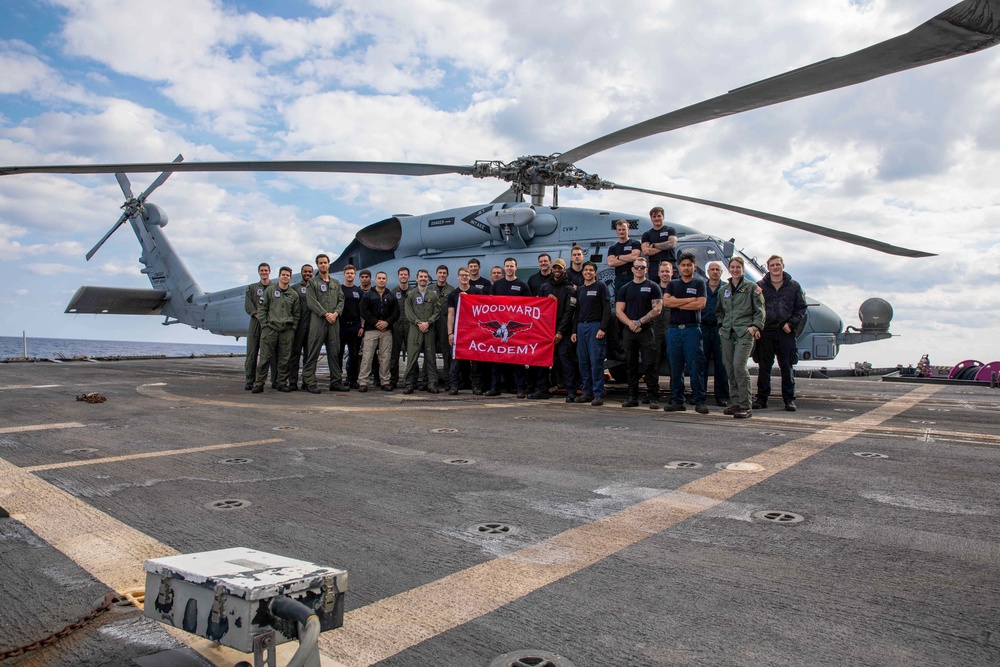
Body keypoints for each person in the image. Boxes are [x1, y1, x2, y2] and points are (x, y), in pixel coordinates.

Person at [754, 255, 807, 412]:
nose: (775, 267)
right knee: (764, 367)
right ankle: (762, 399)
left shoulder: (793, 286)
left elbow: (801, 308)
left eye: (778, 264)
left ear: (783, 265)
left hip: (785, 332)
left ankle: (789, 400)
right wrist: (756, 327)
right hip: (766, 332)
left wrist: (791, 324)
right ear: (768, 267)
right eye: (772, 265)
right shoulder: (759, 286)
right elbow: (754, 307)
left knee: (786, 367)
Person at [717, 257, 764, 419]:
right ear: (729, 269)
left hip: (744, 332)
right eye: (733, 267)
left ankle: (745, 405)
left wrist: (754, 327)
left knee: (739, 366)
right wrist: (721, 327)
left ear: (742, 269)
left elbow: (760, 311)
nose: (735, 270)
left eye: (738, 267)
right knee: (729, 368)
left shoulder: (752, 288)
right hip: (727, 333)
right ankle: (735, 402)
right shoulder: (724, 290)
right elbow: (719, 311)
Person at [662, 251, 708, 414]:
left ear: (694, 267)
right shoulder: (673, 284)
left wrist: (678, 303)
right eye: (683, 265)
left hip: (692, 329)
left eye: (689, 265)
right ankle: (677, 400)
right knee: (676, 367)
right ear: (679, 267)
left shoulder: (699, 283)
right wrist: (689, 301)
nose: (686, 267)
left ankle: (700, 400)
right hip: (674, 330)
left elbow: (701, 304)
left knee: (696, 366)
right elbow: (666, 302)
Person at [614, 257, 662, 408]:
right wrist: (631, 324)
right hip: (629, 331)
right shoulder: (625, 288)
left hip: (646, 330)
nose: (639, 269)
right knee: (631, 364)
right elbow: (619, 311)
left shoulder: (653, 287)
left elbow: (657, 309)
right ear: (632, 269)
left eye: (642, 267)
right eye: (637, 267)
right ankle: (632, 397)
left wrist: (640, 322)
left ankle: (653, 397)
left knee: (650, 364)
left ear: (647, 270)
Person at [531, 259, 577, 401]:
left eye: (560, 268)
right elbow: (538, 307)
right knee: (542, 361)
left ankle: (571, 391)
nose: (557, 270)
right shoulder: (545, 287)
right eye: (555, 268)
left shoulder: (570, 289)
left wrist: (560, 332)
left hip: (563, 330)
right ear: (552, 269)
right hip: (546, 330)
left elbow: (570, 313)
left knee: (566, 362)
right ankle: (542, 389)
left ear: (564, 270)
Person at [303, 253, 348, 394]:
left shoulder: (335, 283)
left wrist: (335, 314)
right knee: (313, 352)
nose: (323, 265)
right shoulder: (312, 283)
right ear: (317, 265)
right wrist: (325, 313)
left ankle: (335, 382)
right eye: (320, 263)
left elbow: (341, 300)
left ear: (329, 264)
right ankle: (309, 382)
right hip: (318, 321)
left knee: (334, 352)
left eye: (325, 262)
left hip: (334, 322)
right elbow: (311, 302)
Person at [486, 258, 531, 397]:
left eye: (512, 266)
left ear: (516, 267)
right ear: (504, 268)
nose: (509, 268)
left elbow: (529, 306)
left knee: (517, 360)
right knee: (496, 360)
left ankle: (520, 389)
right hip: (499, 327)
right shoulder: (497, 284)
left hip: (513, 329)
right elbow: (489, 304)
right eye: (507, 266)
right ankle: (495, 388)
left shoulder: (522, 285)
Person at [253, 266, 300, 393]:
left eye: (288, 275)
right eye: (283, 275)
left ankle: (281, 382)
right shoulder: (269, 291)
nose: (285, 277)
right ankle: (259, 383)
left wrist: (293, 328)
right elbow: (261, 309)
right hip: (271, 329)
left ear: (290, 277)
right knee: (265, 358)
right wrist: (264, 325)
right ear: (279, 276)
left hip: (286, 331)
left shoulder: (293, 295)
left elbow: (297, 313)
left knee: (285, 359)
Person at [573, 261, 611, 406]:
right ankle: (587, 393)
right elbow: (576, 312)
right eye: (585, 270)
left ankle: (598, 394)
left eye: (591, 270)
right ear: (582, 272)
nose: (588, 272)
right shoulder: (580, 290)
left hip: (596, 327)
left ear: (595, 273)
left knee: (596, 361)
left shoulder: (601, 287)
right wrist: (574, 331)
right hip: (581, 327)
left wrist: (603, 328)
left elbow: (607, 308)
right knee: (583, 362)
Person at [357, 271, 399, 392]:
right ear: (375, 280)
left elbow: (396, 313)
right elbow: (364, 311)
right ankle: (363, 382)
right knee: (367, 356)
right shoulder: (368, 295)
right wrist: (376, 322)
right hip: (371, 330)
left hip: (386, 331)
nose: (381, 280)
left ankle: (385, 381)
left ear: (386, 280)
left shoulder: (391, 295)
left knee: (386, 357)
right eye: (379, 278)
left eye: (384, 278)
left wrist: (387, 322)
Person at [403, 269, 441, 394]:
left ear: (428, 279)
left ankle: (432, 383)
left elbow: (437, 311)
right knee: (412, 357)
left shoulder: (433, 295)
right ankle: (409, 384)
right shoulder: (411, 294)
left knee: (430, 357)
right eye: (421, 276)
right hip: (415, 329)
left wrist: (428, 322)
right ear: (417, 278)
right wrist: (418, 323)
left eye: (425, 277)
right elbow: (408, 311)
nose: (423, 278)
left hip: (428, 328)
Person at [446, 267, 483, 395]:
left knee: (476, 361)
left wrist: (469, 299)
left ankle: (476, 386)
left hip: (474, 331)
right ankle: (454, 386)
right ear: (458, 277)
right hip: (459, 332)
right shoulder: (453, 294)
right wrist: (450, 333)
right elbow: (451, 314)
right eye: (462, 275)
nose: (464, 277)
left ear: (470, 276)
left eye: (466, 275)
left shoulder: (477, 291)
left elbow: (482, 309)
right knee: (456, 361)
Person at [701, 261, 730, 407]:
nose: (715, 272)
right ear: (707, 272)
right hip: (703, 328)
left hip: (720, 329)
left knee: (721, 363)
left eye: (717, 269)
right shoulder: (701, 287)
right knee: (702, 363)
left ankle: (722, 396)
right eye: (712, 269)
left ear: (721, 272)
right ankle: (700, 395)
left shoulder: (727, 288)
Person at [244, 262, 277, 390]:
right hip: (256, 323)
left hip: (270, 324)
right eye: (262, 271)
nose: (264, 273)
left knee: (273, 354)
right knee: (252, 353)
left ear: (270, 272)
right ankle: (249, 380)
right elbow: (248, 305)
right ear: (259, 272)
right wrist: (258, 315)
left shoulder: (275, 288)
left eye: (266, 270)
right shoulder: (251, 288)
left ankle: (275, 380)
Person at [287, 263, 313, 390]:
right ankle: (292, 381)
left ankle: (307, 381)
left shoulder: (316, 287)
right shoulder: (295, 288)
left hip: (311, 327)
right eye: (305, 271)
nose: (307, 274)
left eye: (310, 272)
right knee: (295, 354)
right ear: (302, 272)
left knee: (309, 356)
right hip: (298, 327)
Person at [339, 265, 364, 390]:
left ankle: (352, 379)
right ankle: (337, 379)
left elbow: (362, 311)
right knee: (338, 354)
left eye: (352, 273)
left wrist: (362, 327)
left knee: (354, 355)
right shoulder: (339, 289)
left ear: (355, 275)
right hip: (341, 326)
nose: (349, 275)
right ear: (344, 275)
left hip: (354, 326)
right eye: (347, 273)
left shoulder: (359, 291)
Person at [431, 265, 454, 387]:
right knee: (430, 352)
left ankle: (447, 380)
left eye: (444, 273)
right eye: (440, 273)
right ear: (436, 274)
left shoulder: (451, 290)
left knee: (446, 353)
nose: (442, 275)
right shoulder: (430, 289)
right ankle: (431, 380)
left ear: (447, 275)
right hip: (431, 323)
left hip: (445, 323)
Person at [652, 261, 674, 386]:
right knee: (654, 362)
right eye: (662, 271)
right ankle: (653, 392)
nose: (665, 274)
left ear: (672, 272)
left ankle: (675, 393)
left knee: (674, 363)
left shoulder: (677, 288)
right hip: (656, 330)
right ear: (658, 273)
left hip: (673, 328)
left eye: (667, 271)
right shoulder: (654, 289)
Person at [389, 267, 411, 389]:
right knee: (394, 355)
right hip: (396, 326)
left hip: (410, 327)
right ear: (398, 276)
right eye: (401, 274)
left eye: (405, 274)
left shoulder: (413, 292)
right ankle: (393, 380)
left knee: (412, 354)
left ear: (408, 276)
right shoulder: (392, 292)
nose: (403, 276)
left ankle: (410, 380)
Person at [640, 206, 678, 277]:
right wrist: (665, 246)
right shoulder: (647, 234)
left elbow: (671, 244)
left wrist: (654, 245)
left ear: (663, 217)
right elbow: (645, 251)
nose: (656, 218)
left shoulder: (670, 230)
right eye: (654, 216)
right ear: (651, 218)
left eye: (659, 216)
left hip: (669, 264)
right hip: (654, 267)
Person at [607, 219, 642, 296]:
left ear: (628, 230)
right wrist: (629, 258)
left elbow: (634, 257)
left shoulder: (635, 243)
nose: (621, 232)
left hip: (633, 276)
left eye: (624, 229)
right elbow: (611, 262)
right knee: (620, 301)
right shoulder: (613, 248)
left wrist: (619, 257)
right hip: (619, 278)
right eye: (619, 230)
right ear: (616, 231)